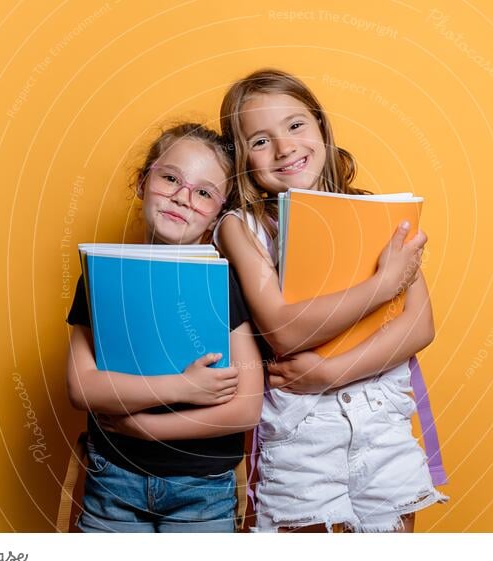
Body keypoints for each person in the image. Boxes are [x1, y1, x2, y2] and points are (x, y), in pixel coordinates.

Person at [214, 69, 448, 532]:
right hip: (299, 433)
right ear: (241, 158)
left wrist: (328, 372)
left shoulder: (377, 213)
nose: (284, 148)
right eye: (260, 141)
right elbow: (282, 329)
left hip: (381, 422)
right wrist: (383, 285)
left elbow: (420, 325)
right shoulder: (241, 227)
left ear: (321, 127)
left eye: (296, 125)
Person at [65, 123, 264, 533]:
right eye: (171, 178)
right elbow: (81, 388)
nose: (182, 197)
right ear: (143, 181)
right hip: (114, 479)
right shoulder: (102, 276)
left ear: (218, 212)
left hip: (203, 489)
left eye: (204, 192)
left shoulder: (223, 282)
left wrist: (145, 427)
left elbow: (247, 406)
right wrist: (183, 388)